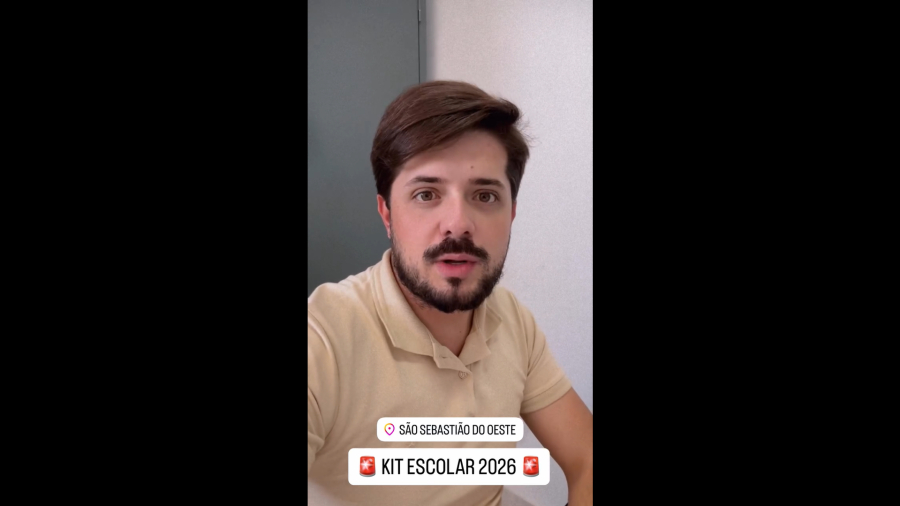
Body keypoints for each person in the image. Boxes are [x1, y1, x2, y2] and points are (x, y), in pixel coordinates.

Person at [308, 81, 593, 505]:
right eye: (426, 194)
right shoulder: (323, 337)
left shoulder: (511, 319)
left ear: (512, 213)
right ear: (387, 214)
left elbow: (587, 458)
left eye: (485, 195)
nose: (458, 223)